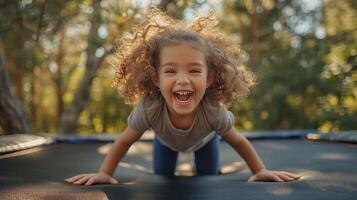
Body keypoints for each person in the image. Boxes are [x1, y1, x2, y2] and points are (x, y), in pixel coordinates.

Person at [65, 8, 299, 185]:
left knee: (209, 178)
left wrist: (259, 170)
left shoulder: (213, 111)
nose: (183, 79)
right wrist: (105, 173)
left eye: (194, 70)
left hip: (205, 143)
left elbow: (238, 140)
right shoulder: (150, 108)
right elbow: (125, 140)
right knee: (162, 180)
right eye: (170, 71)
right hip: (165, 143)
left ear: (209, 79)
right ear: (156, 78)